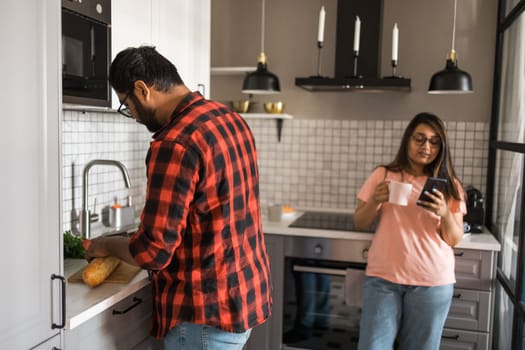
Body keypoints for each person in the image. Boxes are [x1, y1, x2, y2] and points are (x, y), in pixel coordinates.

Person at [85, 46, 272, 349]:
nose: (132, 116)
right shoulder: (229, 118)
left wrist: (104, 244)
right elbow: (209, 213)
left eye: (126, 105)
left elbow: (153, 253)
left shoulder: (174, 143)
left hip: (203, 316)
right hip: (242, 300)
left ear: (142, 89)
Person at [354, 112, 466, 350]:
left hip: (432, 281)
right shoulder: (383, 175)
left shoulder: (450, 185)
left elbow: (453, 239)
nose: (426, 146)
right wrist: (374, 200)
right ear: (408, 140)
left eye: (434, 141)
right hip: (383, 278)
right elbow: (360, 222)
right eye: (419, 138)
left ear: (441, 147)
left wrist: (445, 212)